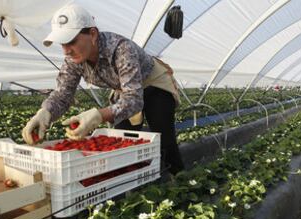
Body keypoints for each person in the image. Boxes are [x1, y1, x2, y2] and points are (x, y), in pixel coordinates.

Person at [22, 3, 184, 175]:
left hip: (153, 84)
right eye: (62, 44)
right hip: (125, 91)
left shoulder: (121, 49)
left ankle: (179, 180)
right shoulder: (73, 59)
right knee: (120, 140)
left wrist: (99, 115)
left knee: (164, 139)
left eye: (71, 41)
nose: (66, 51)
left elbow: (134, 100)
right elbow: (63, 94)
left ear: (92, 34)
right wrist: (45, 112)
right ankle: (134, 183)